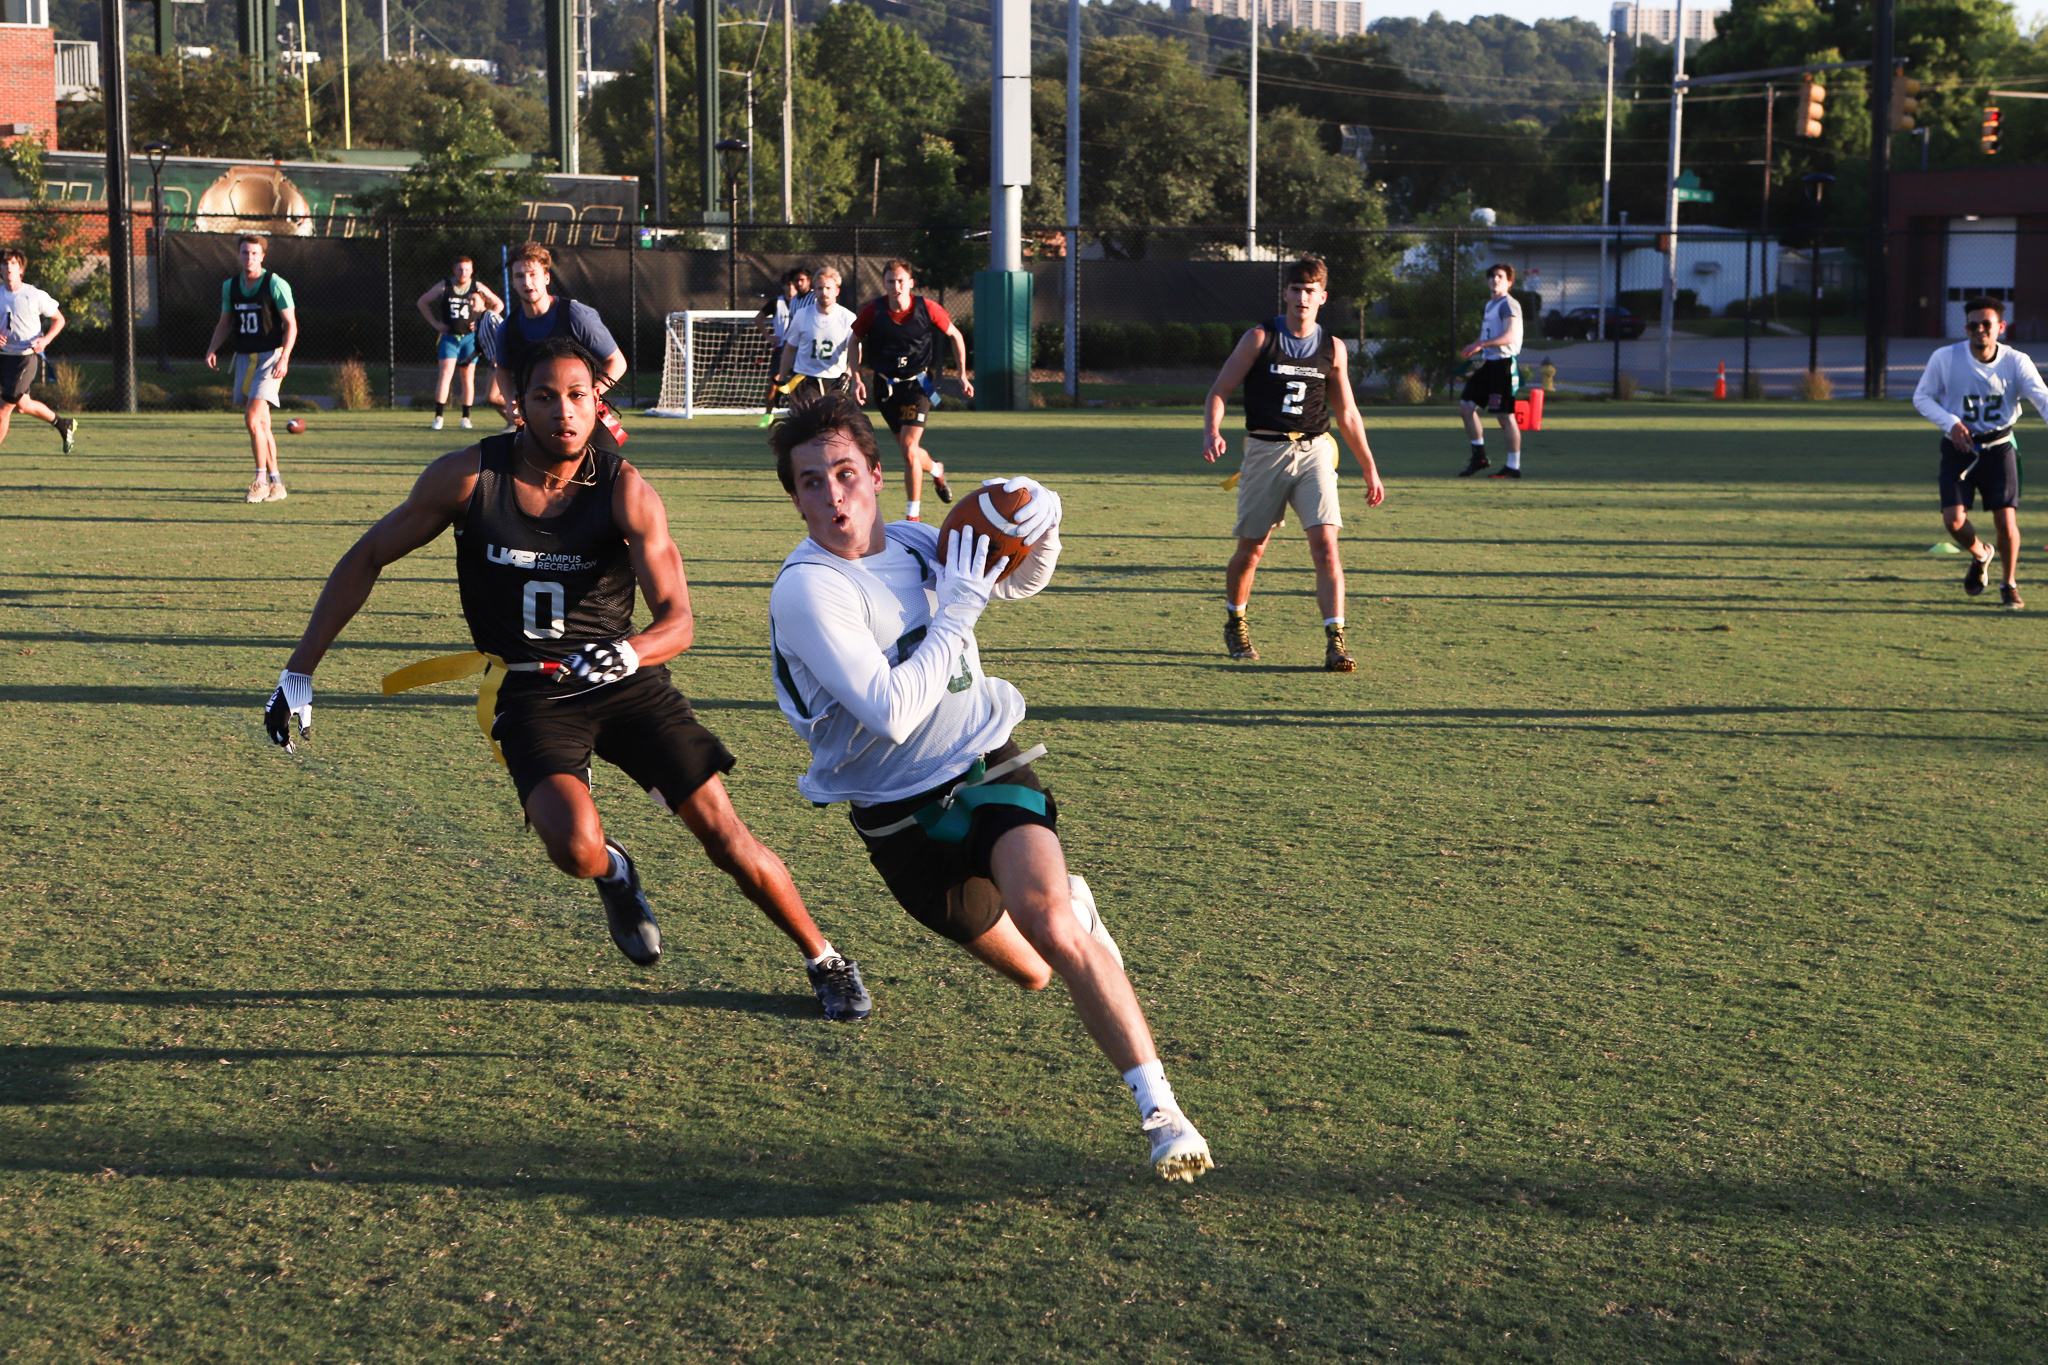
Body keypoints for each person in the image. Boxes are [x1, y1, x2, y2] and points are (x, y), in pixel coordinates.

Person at [263, 336, 873, 1022]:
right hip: (531, 691)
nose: (564, 411)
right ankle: (615, 871)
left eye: (578, 395)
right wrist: (299, 668)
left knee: (723, 833)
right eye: (546, 396)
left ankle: (826, 960)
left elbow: (679, 621)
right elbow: (368, 555)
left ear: (596, 401)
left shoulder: (625, 488)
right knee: (575, 847)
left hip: (625, 681)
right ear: (516, 403)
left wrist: (629, 653)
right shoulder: (468, 476)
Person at [765, 392, 1213, 1181]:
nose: (833, 495)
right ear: (795, 498)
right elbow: (890, 711)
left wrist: (1044, 523)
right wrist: (960, 607)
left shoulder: (914, 541)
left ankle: (1163, 1114)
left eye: (844, 473)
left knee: (1052, 927)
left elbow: (1015, 580)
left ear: (878, 473)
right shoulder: (809, 589)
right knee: (1036, 969)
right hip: (899, 822)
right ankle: (1073, 913)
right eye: (811, 482)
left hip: (985, 765)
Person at [1201, 255, 1385, 672]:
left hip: (1315, 451)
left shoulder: (1333, 348)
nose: (1303, 297)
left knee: (1326, 546)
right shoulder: (1259, 338)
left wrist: (1369, 467)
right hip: (1265, 451)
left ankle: (1336, 641)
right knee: (1251, 550)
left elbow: (1348, 414)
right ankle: (1236, 622)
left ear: (1323, 297)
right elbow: (1219, 391)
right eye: (1297, 289)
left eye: (1310, 291)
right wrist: (1212, 430)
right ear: (1286, 293)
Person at [1912, 297, 2048, 612]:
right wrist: (1951, 422)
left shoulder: (2016, 361)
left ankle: (2008, 584)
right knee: (1953, 521)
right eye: (1973, 325)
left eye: (1987, 324)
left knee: (2006, 520)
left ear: (2001, 327)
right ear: (1967, 329)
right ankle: (1981, 553)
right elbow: (1922, 396)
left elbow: (2042, 399)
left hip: (1999, 448)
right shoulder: (1945, 358)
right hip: (1958, 448)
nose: (1980, 330)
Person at [849, 259, 973, 522]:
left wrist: (962, 374)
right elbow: (854, 341)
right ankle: (936, 470)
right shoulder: (872, 311)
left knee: (908, 447)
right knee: (910, 451)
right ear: (884, 284)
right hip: (885, 387)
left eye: (901, 281)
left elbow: (955, 335)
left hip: (918, 385)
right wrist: (856, 377)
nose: (896, 286)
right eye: (891, 281)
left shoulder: (927, 308)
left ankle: (913, 516)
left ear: (911, 283)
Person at [483, 242, 628, 451]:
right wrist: (511, 400)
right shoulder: (508, 328)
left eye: (533, 274)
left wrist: (584, 396)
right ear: (513, 282)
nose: (527, 282)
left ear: (546, 277)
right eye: (519, 276)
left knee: (605, 470)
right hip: (542, 425)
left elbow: (617, 362)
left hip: (588, 419)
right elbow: (503, 370)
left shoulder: (576, 316)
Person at [204, 234, 298, 503]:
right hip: (246, 358)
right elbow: (225, 322)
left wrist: (285, 357)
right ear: (239, 255)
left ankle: (260, 480)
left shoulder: (275, 284)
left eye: (255, 253)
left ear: (262, 256)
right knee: (262, 424)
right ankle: (277, 484)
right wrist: (212, 348)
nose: (249, 257)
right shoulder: (230, 286)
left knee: (252, 419)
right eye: (245, 252)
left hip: (270, 357)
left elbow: (291, 324)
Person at [416, 254, 506, 432]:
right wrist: (435, 324)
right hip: (449, 337)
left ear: (471, 271)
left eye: (466, 269)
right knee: (446, 374)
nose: (463, 273)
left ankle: (465, 417)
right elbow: (422, 302)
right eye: (460, 269)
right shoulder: (445, 286)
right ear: (454, 270)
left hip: (469, 338)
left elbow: (498, 304)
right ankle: (439, 417)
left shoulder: (477, 287)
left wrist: (482, 319)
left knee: (467, 377)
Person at [0, 249, 77, 454]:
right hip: (3, 357)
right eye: (5, 263)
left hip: (24, 360)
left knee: (3, 410)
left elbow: (59, 319)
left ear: (21, 269)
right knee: (23, 406)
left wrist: (45, 340)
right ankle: (63, 424)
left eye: (13, 263)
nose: (9, 267)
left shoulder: (34, 295)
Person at [1456, 264, 1524, 479]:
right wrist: (1475, 345)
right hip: (1490, 363)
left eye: (1500, 277)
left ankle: (1513, 466)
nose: (1495, 279)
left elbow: (1509, 336)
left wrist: (1481, 344)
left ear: (1509, 282)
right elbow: (1488, 335)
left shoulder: (1508, 304)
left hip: (1504, 365)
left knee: (1505, 417)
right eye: (1493, 276)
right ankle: (1479, 457)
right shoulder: (1490, 305)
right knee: (1466, 407)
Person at [773, 266, 860, 404]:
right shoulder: (802, 315)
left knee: (834, 416)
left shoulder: (848, 318)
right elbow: (790, 348)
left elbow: (856, 350)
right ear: (814, 291)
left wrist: (848, 374)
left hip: (835, 379)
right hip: (805, 377)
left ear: (837, 291)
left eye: (828, 288)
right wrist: (781, 381)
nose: (824, 292)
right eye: (819, 288)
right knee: (810, 413)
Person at [758, 267, 814, 419]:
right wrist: (769, 337)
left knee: (801, 384)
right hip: (784, 347)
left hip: (804, 349)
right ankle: (768, 415)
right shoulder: (781, 302)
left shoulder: (814, 298)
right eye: (790, 283)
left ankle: (800, 415)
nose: (794, 286)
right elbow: (758, 318)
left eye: (801, 280)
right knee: (775, 383)